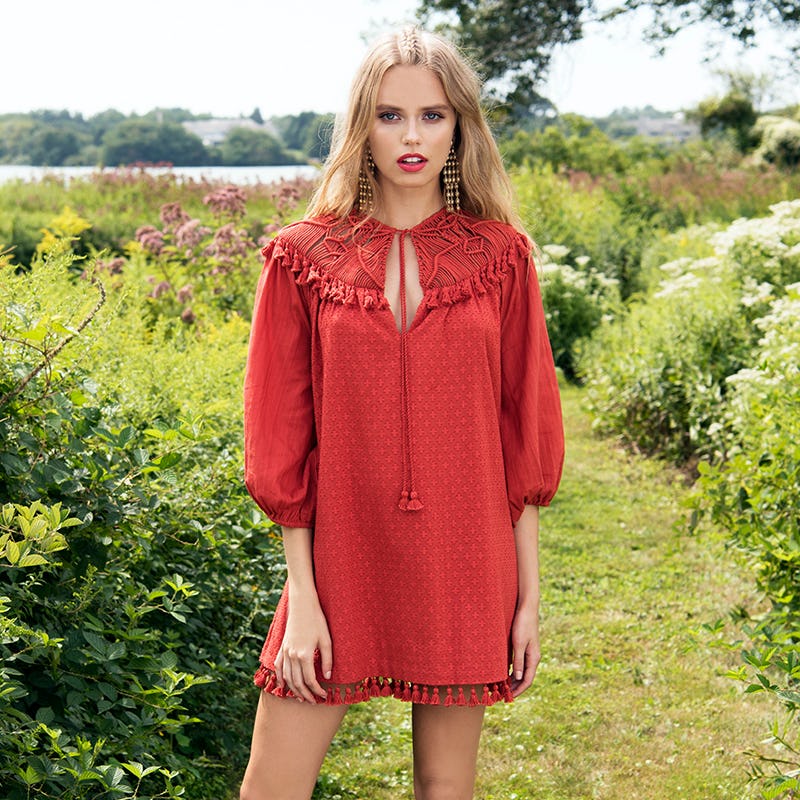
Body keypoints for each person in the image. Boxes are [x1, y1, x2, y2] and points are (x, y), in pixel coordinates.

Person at [239, 25, 564, 800]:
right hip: (339, 563)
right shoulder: (303, 259)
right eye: (390, 116)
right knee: (270, 790)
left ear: (459, 128)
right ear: (363, 126)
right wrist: (304, 602)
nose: (412, 136)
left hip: (466, 558)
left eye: (432, 115)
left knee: (444, 788)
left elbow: (521, 439)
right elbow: (282, 439)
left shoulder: (502, 258)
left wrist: (528, 601)